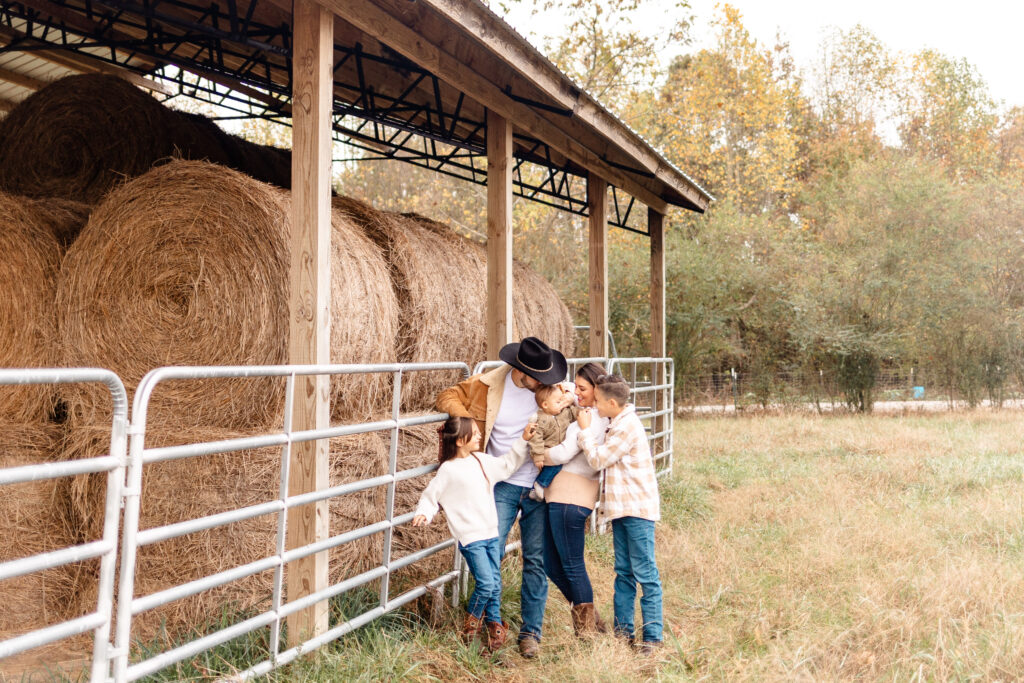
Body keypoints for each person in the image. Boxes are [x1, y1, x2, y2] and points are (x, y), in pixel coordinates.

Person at [436, 336, 568, 659]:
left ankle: (530, 634)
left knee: (535, 559)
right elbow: (447, 396)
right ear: (521, 372)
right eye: (539, 378)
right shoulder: (487, 385)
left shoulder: (551, 391)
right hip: (501, 484)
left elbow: (580, 409)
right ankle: (492, 624)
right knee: (491, 551)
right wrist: (465, 421)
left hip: (539, 485)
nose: (546, 384)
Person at [412, 416, 532, 654]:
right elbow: (431, 495)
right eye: (474, 432)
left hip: (490, 532)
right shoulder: (448, 470)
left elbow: (508, 465)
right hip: (471, 537)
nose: (479, 435)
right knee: (487, 583)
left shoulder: (481, 460)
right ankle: (470, 628)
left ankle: (494, 631)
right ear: (459, 440)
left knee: (495, 584)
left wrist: (523, 440)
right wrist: (425, 513)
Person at [577, 374, 663, 654]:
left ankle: (652, 637)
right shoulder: (618, 422)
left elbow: (599, 459)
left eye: (599, 401)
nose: (597, 406)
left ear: (612, 402)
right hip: (622, 509)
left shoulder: (627, 427)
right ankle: (623, 633)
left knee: (645, 573)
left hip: (636, 509)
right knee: (624, 572)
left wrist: (584, 433)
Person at [533, 362, 611, 636]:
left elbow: (564, 453)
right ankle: (592, 619)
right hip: (565, 496)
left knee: (572, 565)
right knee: (551, 563)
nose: (577, 393)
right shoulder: (588, 413)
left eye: (582, 388)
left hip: (570, 497)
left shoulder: (592, 418)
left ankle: (587, 631)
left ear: (597, 389)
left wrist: (541, 455)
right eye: (575, 386)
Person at [526, 383, 578, 502]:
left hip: (559, 448)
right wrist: (538, 455)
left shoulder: (564, 412)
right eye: (558, 402)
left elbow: (575, 412)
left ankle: (541, 487)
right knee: (555, 466)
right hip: (547, 450)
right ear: (545, 405)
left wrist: (581, 411)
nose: (562, 404)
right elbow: (536, 439)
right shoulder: (540, 419)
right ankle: (540, 484)